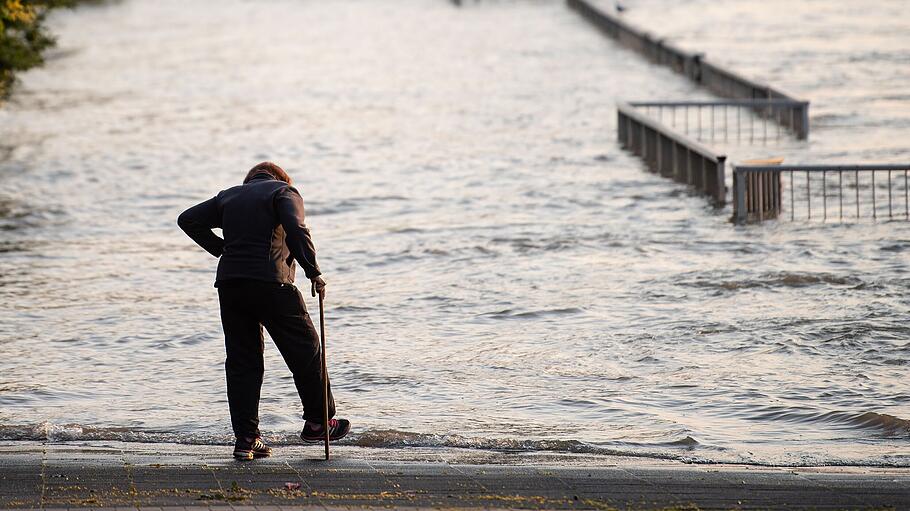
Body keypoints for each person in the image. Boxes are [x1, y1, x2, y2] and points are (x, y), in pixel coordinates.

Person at [177, 161, 350, 460]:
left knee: (243, 362)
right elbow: (296, 229)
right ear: (280, 178)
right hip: (273, 284)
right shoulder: (284, 192)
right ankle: (318, 423)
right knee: (305, 352)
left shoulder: (228, 197)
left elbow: (187, 219)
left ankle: (246, 439)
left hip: (231, 286)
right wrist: (313, 271)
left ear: (250, 181)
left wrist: (222, 250)